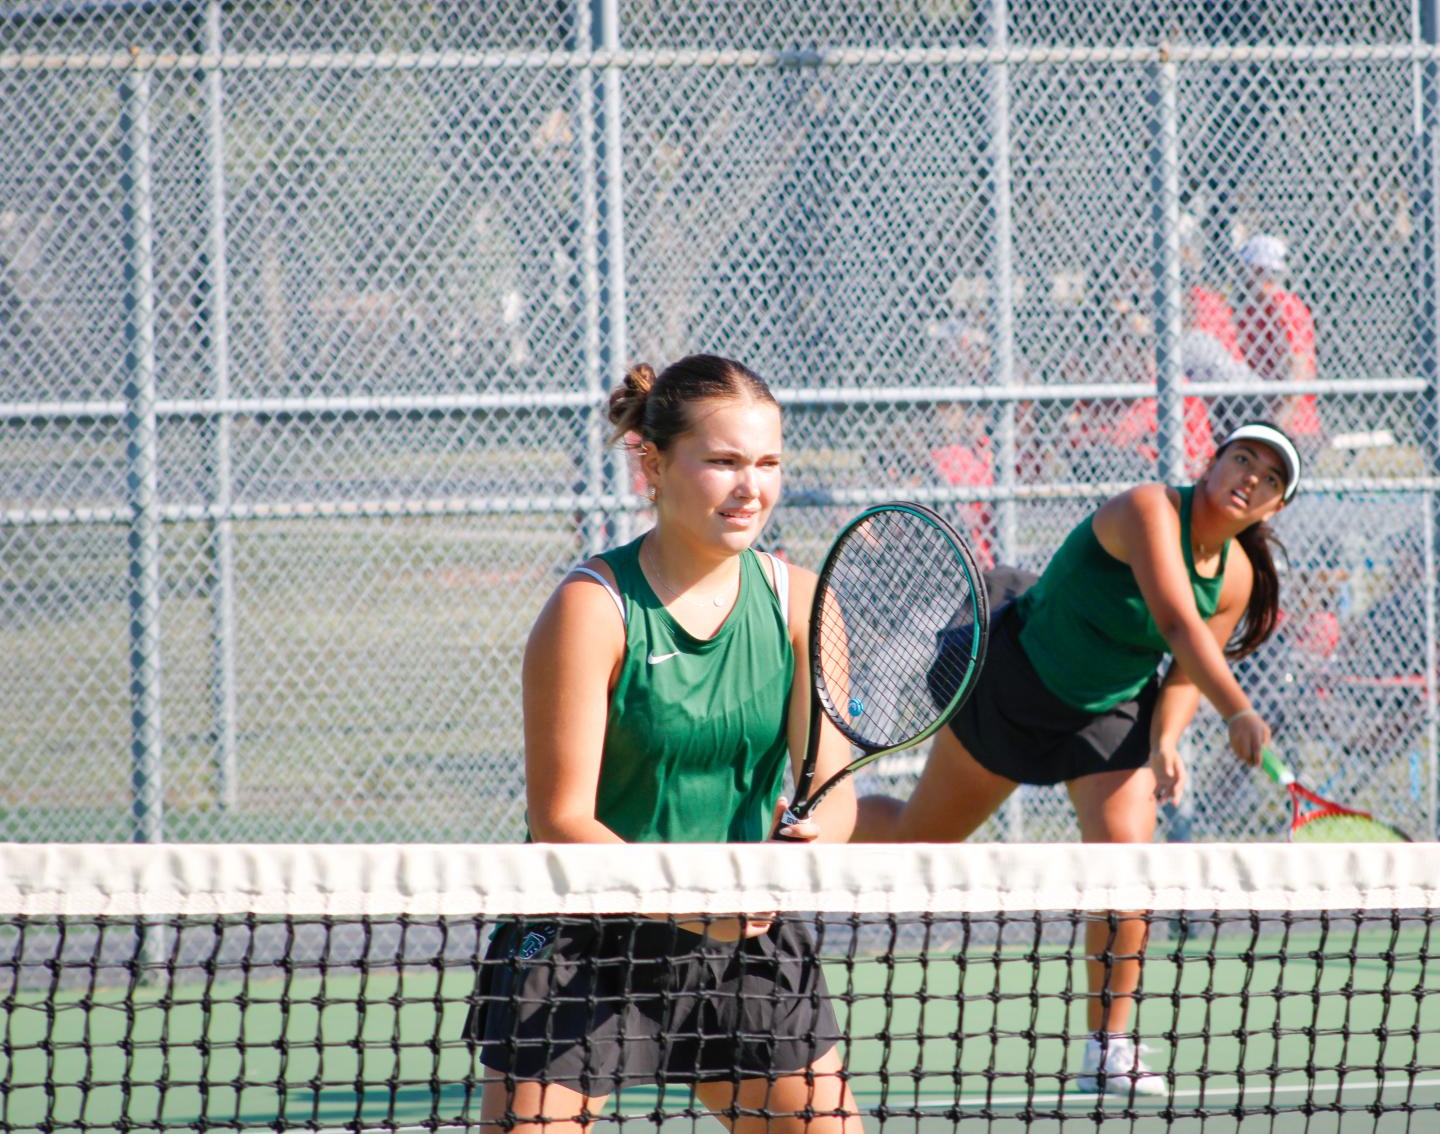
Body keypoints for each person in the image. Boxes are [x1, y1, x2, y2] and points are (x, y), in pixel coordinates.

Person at [468, 354, 861, 1134]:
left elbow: (833, 791)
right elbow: (561, 819)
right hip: (585, 936)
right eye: (722, 462)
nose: (751, 488)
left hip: (740, 937)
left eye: (768, 463)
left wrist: (803, 850)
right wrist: (691, 905)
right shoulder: (591, 608)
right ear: (652, 463)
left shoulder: (804, 604)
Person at [853, 423, 1298, 1097]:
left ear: (1275, 507)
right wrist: (1238, 709)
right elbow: (1175, 622)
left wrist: (1165, 741)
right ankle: (805, 826)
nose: (1250, 479)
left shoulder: (1234, 575)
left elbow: (1181, 669)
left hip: (1108, 711)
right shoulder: (1148, 508)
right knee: (921, 836)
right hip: (1015, 682)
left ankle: (1108, 1044)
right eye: (1242, 459)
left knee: (1125, 866)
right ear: (1211, 464)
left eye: (1269, 478)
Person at [1234, 233, 1323, 453]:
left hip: (1292, 426)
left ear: (1257, 270)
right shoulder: (1251, 310)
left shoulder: (1283, 306)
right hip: (1258, 414)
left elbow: (1298, 369)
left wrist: (1276, 427)